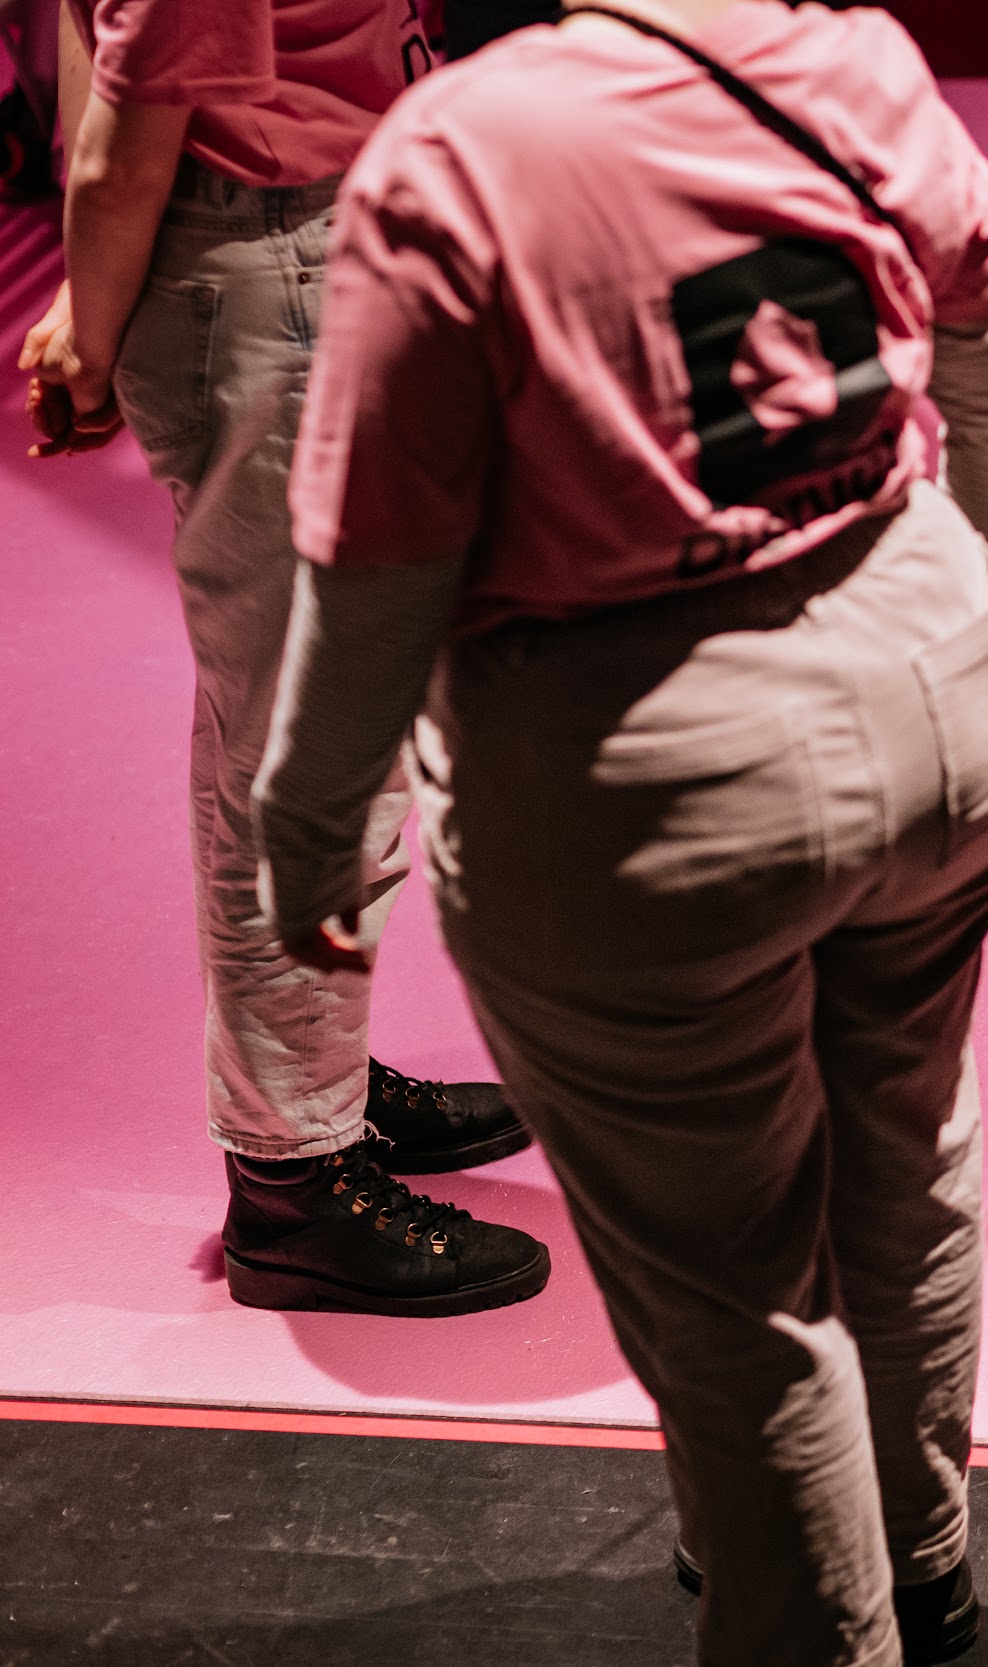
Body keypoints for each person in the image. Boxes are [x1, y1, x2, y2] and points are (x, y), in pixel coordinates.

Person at [251, 0, 988, 1659]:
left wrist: (315, 823)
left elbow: (378, 564)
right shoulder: (859, 63)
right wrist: (987, 659)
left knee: (731, 1298)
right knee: (904, 1158)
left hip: (637, 780)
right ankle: (926, 1567)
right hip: (933, 690)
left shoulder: (460, 154)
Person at [17, 0, 549, 1312]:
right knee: (303, 749)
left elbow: (100, 54)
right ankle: (294, 1176)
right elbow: (118, 146)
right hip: (270, 258)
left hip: (312, 234)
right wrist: (93, 326)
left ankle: (324, 1090)